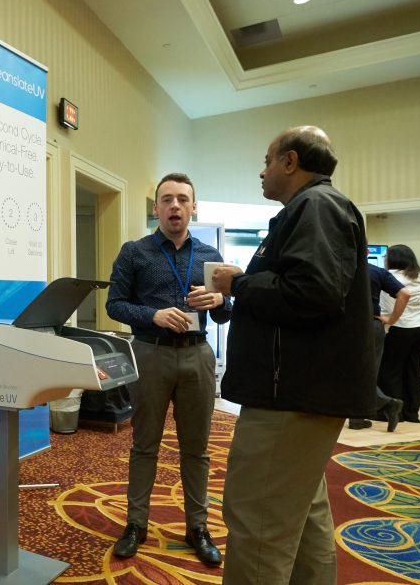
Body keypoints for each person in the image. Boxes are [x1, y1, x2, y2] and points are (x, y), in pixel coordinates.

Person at [210, 126, 375, 584]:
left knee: (258, 519)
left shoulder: (316, 205)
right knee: (301, 515)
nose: (261, 172)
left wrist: (239, 284)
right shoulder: (311, 208)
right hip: (301, 392)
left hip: (291, 397)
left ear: (290, 161)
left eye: (267, 161)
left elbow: (312, 293)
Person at [106, 173, 231, 566]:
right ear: (156, 207)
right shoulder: (134, 252)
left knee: (197, 449)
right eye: (167, 199)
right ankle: (135, 524)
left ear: (194, 207)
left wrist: (219, 301)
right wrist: (153, 315)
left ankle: (198, 527)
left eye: (182, 199)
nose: (175, 206)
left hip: (197, 355)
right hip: (150, 353)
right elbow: (114, 304)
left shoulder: (210, 255)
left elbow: (226, 313)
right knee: (145, 444)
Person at [348, 262, 408, 432]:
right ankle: (357, 418)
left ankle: (386, 405)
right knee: (368, 373)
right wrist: (392, 320)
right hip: (373, 325)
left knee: (348, 372)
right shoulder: (376, 271)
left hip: (347, 326)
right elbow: (404, 294)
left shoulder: (338, 268)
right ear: (366, 251)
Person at [376, 245, 420, 423]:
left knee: (391, 371)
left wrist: (390, 319)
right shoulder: (416, 276)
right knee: (414, 370)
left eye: (386, 256)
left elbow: (391, 304)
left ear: (392, 259)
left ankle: (394, 413)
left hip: (399, 328)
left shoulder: (389, 278)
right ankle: (411, 413)